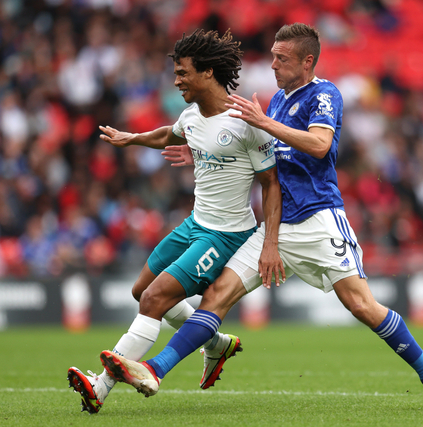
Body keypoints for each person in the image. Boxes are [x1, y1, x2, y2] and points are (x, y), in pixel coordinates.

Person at [99, 23, 423, 411]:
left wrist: (264, 122)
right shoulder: (278, 102)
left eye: (281, 59)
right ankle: (156, 369)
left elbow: (319, 145)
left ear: (307, 61)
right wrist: (205, 155)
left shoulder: (324, 95)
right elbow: (267, 165)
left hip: (318, 220)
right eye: (271, 56)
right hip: (277, 223)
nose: (272, 65)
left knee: (362, 307)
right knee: (216, 296)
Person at [67, 29, 284, 414]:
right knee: (142, 290)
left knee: (154, 300)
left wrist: (269, 241)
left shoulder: (245, 122)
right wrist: (130, 138)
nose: (177, 80)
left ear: (208, 73)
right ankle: (215, 343)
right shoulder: (192, 115)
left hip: (225, 235)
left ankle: (98, 389)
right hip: (194, 225)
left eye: (183, 72)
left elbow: (270, 183)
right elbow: (171, 133)